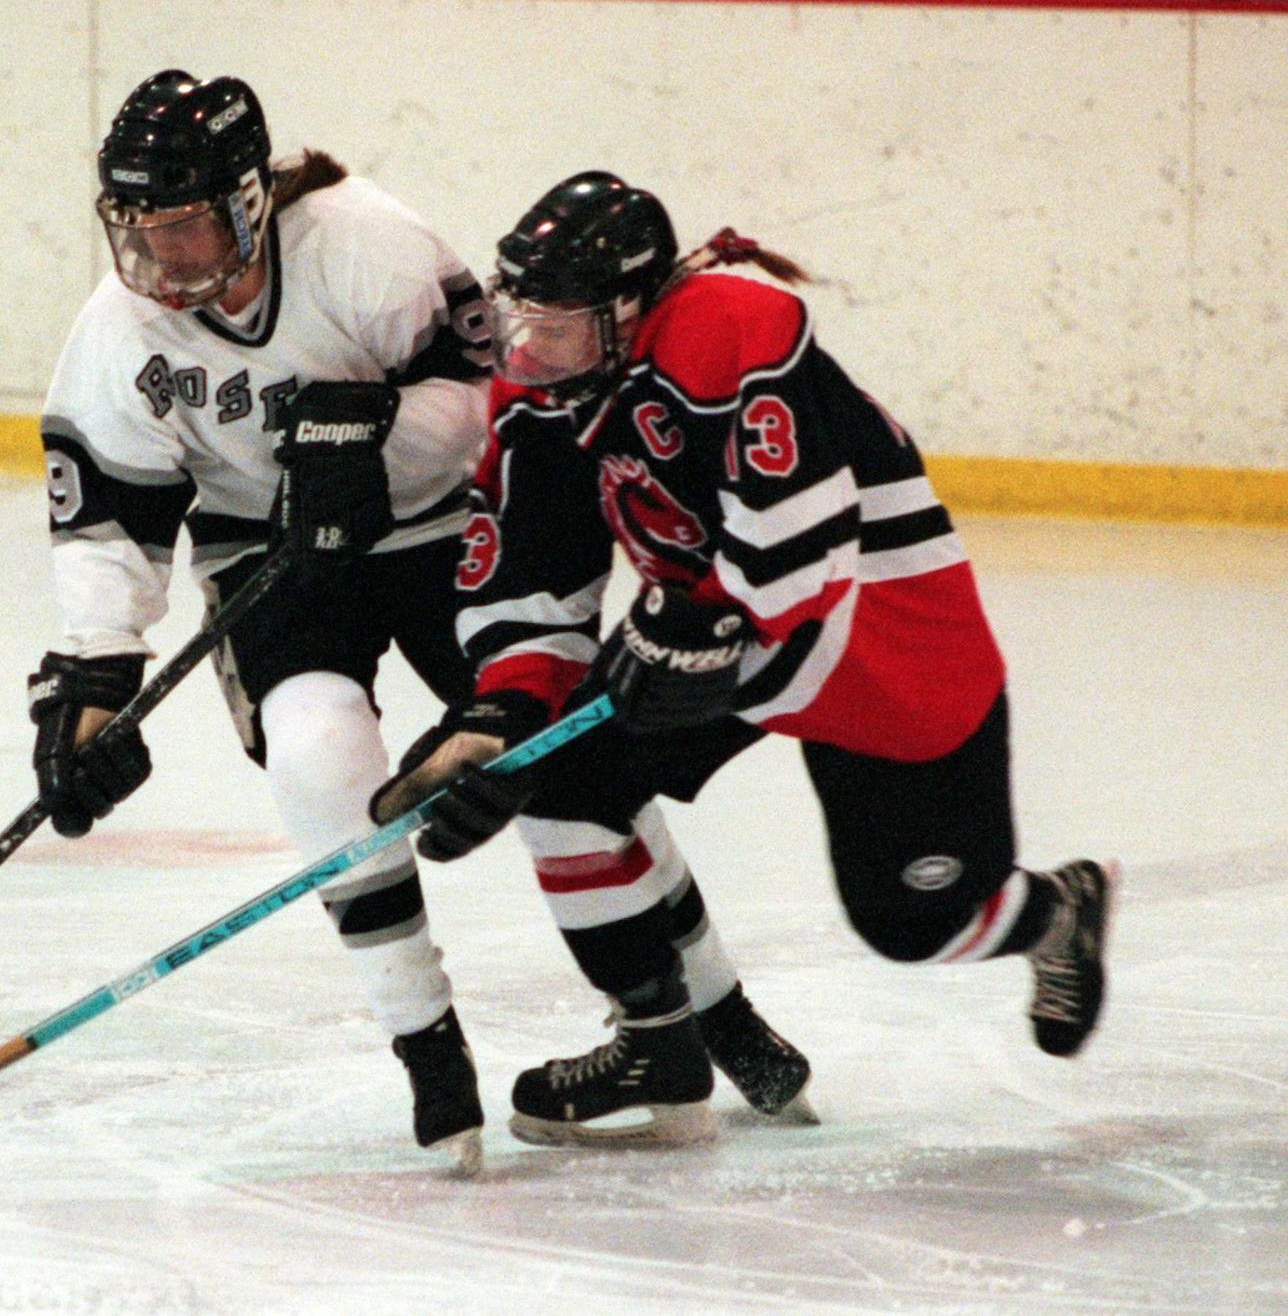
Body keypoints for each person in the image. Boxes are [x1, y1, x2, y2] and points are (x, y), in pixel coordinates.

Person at [27, 72, 800, 1171]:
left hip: (448, 529)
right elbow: (110, 515)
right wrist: (97, 676)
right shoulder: (119, 332)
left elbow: (503, 389)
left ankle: (707, 1010)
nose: (164, 259)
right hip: (274, 560)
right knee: (317, 756)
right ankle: (429, 1052)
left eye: (186, 225)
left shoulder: (363, 241)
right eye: (140, 230)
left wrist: (377, 435)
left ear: (248, 200)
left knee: (556, 768)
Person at [373, 172, 1113, 1148]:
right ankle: (655, 1044)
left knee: (911, 922)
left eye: (554, 320)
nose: (526, 343)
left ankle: (1056, 912)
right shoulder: (545, 391)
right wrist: (500, 715)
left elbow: (804, 539)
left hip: (877, 655)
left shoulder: (730, 326)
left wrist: (701, 624)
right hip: (726, 651)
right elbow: (531, 571)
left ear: (627, 309)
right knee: (552, 777)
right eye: (523, 315)